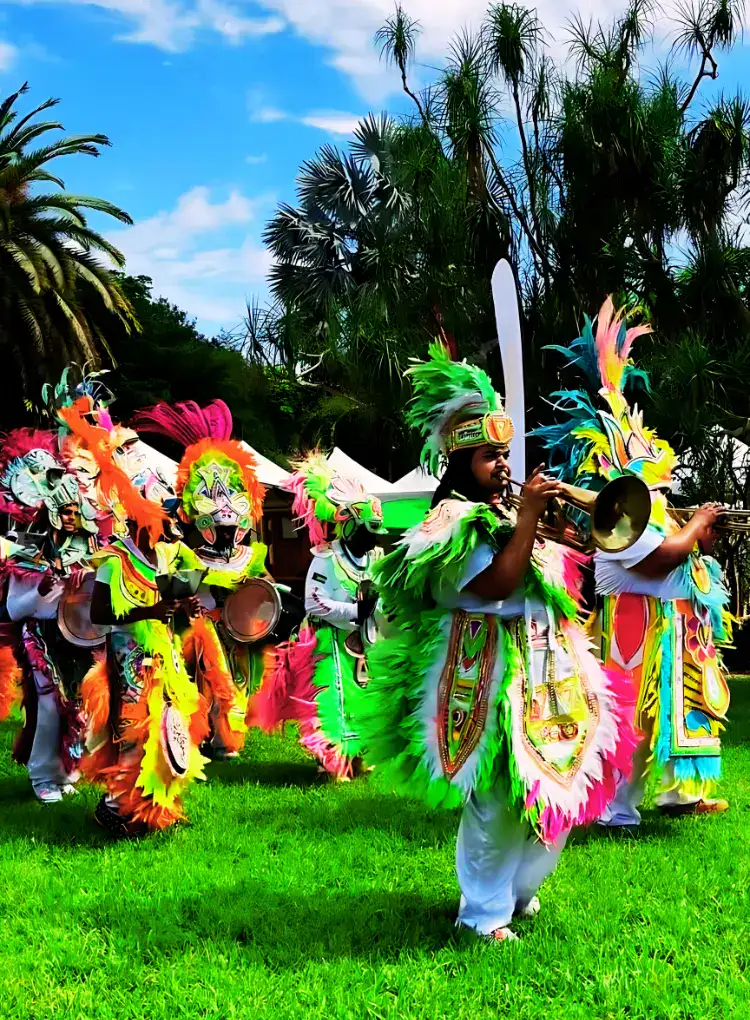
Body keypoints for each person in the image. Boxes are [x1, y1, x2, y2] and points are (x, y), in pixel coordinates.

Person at [360, 344, 638, 942]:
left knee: (557, 790)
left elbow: (560, 584)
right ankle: (481, 913)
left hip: (547, 673)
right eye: (489, 458)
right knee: (495, 800)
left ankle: (515, 893)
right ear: (460, 463)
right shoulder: (447, 525)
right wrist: (530, 520)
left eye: (502, 456)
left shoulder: (511, 516)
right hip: (480, 673)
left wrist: (557, 528)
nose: (502, 467)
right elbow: (494, 584)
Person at [534, 298, 732, 826]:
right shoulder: (629, 523)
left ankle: (678, 794)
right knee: (632, 722)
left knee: (675, 713)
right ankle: (614, 809)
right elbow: (660, 560)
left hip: (667, 627)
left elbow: (681, 556)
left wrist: (699, 540)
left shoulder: (645, 514)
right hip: (636, 628)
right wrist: (695, 527)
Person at [57, 398, 208, 835]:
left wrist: (180, 609)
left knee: (168, 731)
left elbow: (163, 606)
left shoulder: (160, 556)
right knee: (130, 737)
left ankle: (157, 808)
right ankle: (119, 810)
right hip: (127, 664)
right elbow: (102, 612)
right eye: (157, 512)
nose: (163, 521)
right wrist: (153, 608)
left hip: (162, 658)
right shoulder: (115, 557)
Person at [132, 399, 269, 760]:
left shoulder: (248, 554)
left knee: (234, 684)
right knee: (205, 683)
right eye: (219, 527)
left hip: (236, 628)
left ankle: (224, 738)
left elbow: (262, 583)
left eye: (230, 528)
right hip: (198, 628)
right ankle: (205, 739)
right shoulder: (185, 553)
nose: (226, 533)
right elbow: (177, 580)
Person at [250, 454, 384, 779]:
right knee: (330, 702)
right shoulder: (325, 558)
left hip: (364, 643)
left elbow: (384, 597)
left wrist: (374, 612)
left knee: (364, 697)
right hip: (326, 641)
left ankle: (358, 759)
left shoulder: (376, 558)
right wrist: (354, 611)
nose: (370, 541)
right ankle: (331, 761)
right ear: (349, 525)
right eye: (365, 531)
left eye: (374, 533)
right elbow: (314, 603)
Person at [0, 428, 99, 803]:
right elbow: (12, 608)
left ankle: (67, 771)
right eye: (66, 510)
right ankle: (42, 775)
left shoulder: (89, 550)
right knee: (47, 704)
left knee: (79, 706)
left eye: (77, 510)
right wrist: (41, 590)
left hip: (79, 638)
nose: (72, 516)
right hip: (39, 637)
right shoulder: (27, 554)